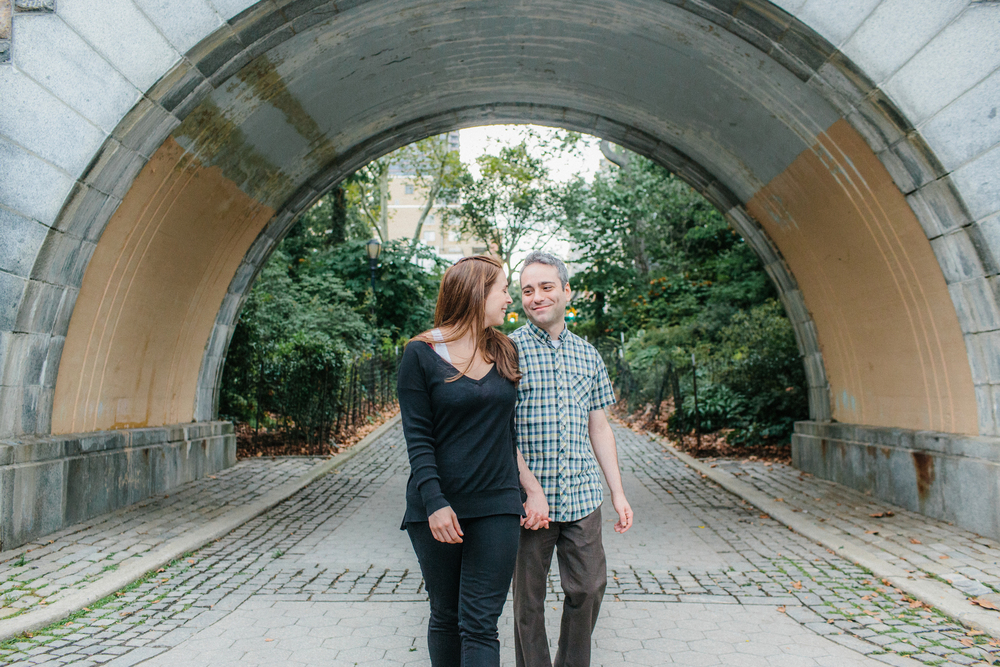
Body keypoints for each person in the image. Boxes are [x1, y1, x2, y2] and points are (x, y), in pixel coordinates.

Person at [397, 255, 549, 667]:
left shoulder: (504, 349)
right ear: (476, 293)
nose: (508, 298)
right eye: (502, 289)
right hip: (437, 507)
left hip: (498, 503)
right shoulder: (421, 353)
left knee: (481, 622)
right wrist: (435, 502)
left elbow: (506, 432)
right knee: (446, 616)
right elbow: (418, 438)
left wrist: (532, 490)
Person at [510, 250, 634, 667]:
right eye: (527, 290)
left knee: (588, 587)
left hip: (582, 496)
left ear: (566, 291)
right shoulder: (507, 354)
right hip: (530, 503)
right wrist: (528, 488)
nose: (536, 297)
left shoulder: (588, 355)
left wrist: (617, 492)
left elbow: (599, 427)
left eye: (546, 287)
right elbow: (499, 431)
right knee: (528, 602)